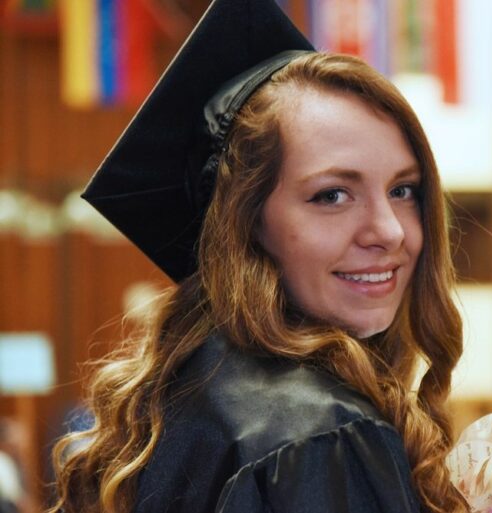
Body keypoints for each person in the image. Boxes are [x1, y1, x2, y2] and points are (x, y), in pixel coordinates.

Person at [48, 1, 467, 512]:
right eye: (332, 195)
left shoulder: (184, 397)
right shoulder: (321, 436)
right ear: (245, 223)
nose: (388, 231)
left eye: (404, 190)